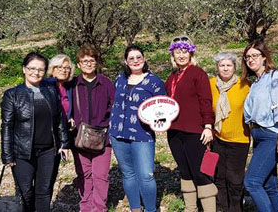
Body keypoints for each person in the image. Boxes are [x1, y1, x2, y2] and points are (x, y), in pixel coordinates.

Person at [0, 52, 69, 212]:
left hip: (48, 150)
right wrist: (7, 155)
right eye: (32, 68)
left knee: (44, 191)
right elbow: (7, 126)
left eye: (40, 70)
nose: (35, 73)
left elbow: (59, 117)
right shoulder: (13, 95)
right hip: (22, 152)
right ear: (24, 69)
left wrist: (64, 143)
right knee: (25, 193)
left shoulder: (50, 89)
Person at [109, 45, 166, 212]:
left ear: (144, 59)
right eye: (131, 58)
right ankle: (135, 208)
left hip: (143, 134)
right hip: (118, 133)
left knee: (146, 175)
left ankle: (150, 209)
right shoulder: (119, 79)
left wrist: (160, 123)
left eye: (138, 57)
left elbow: (162, 106)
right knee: (128, 174)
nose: (135, 61)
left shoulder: (154, 82)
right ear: (126, 62)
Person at [242, 41, 278, 212]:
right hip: (258, 135)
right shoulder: (257, 82)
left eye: (255, 56)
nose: (251, 60)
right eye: (248, 57)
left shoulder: (276, 78)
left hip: (271, 135)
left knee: (252, 182)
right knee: (269, 184)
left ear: (264, 57)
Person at [165, 35, 217, 212]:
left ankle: (209, 209)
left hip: (195, 131)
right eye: (178, 52)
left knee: (201, 171)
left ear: (191, 54)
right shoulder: (171, 77)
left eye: (185, 52)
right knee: (185, 171)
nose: (181, 55)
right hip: (174, 132)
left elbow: (205, 101)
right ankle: (191, 208)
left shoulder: (198, 73)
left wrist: (208, 126)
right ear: (173, 55)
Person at [70, 44, 115, 212]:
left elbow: (115, 106)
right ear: (79, 64)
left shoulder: (106, 83)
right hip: (79, 137)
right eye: (84, 61)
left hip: (103, 137)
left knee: (101, 176)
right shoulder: (73, 84)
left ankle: (99, 208)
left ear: (96, 62)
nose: (88, 64)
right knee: (84, 174)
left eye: (91, 60)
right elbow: (66, 107)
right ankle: (85, 207)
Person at [208, 52, 250, 212]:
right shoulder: (211, 84)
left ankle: (235, 208)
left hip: (239, 140)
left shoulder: (244, 85)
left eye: (229, 65)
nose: (225, 68)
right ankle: (221, 207)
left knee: (235, 178)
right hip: (217, 138)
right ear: (217, 67)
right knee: (219, 176)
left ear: (235, 67)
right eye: (222, 65)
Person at [46, 54, 77, 159]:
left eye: (67, 68)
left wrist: (71, 116)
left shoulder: (69, 87)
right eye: (59, 67)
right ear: (52, 69)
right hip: (49, 133)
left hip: (65, 131)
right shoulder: (46, 86)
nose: (63, 70)